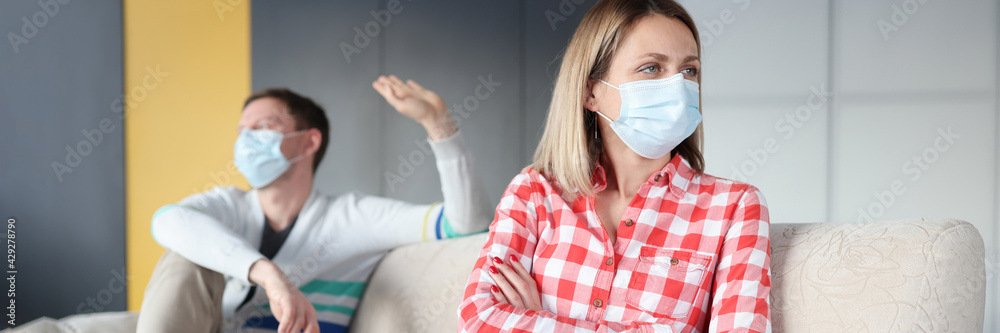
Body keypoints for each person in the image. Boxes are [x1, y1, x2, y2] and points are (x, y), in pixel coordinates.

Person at [458, 0, 770, 332]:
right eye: (652, 67)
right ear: (591, 92)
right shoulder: (534, 192)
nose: (678, 86)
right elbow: (477, 320)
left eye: (689, 70)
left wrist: (538, 321)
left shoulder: (735, 207)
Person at [137, 76, 491, 333]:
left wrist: (438, 124)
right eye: (242, 131)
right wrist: (271, 277)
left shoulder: (351, 219)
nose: (247, 141)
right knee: (183, 256)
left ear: (308, 143)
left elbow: (466, 226)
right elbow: (167, 221)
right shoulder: (229, 205)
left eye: (263, 127)